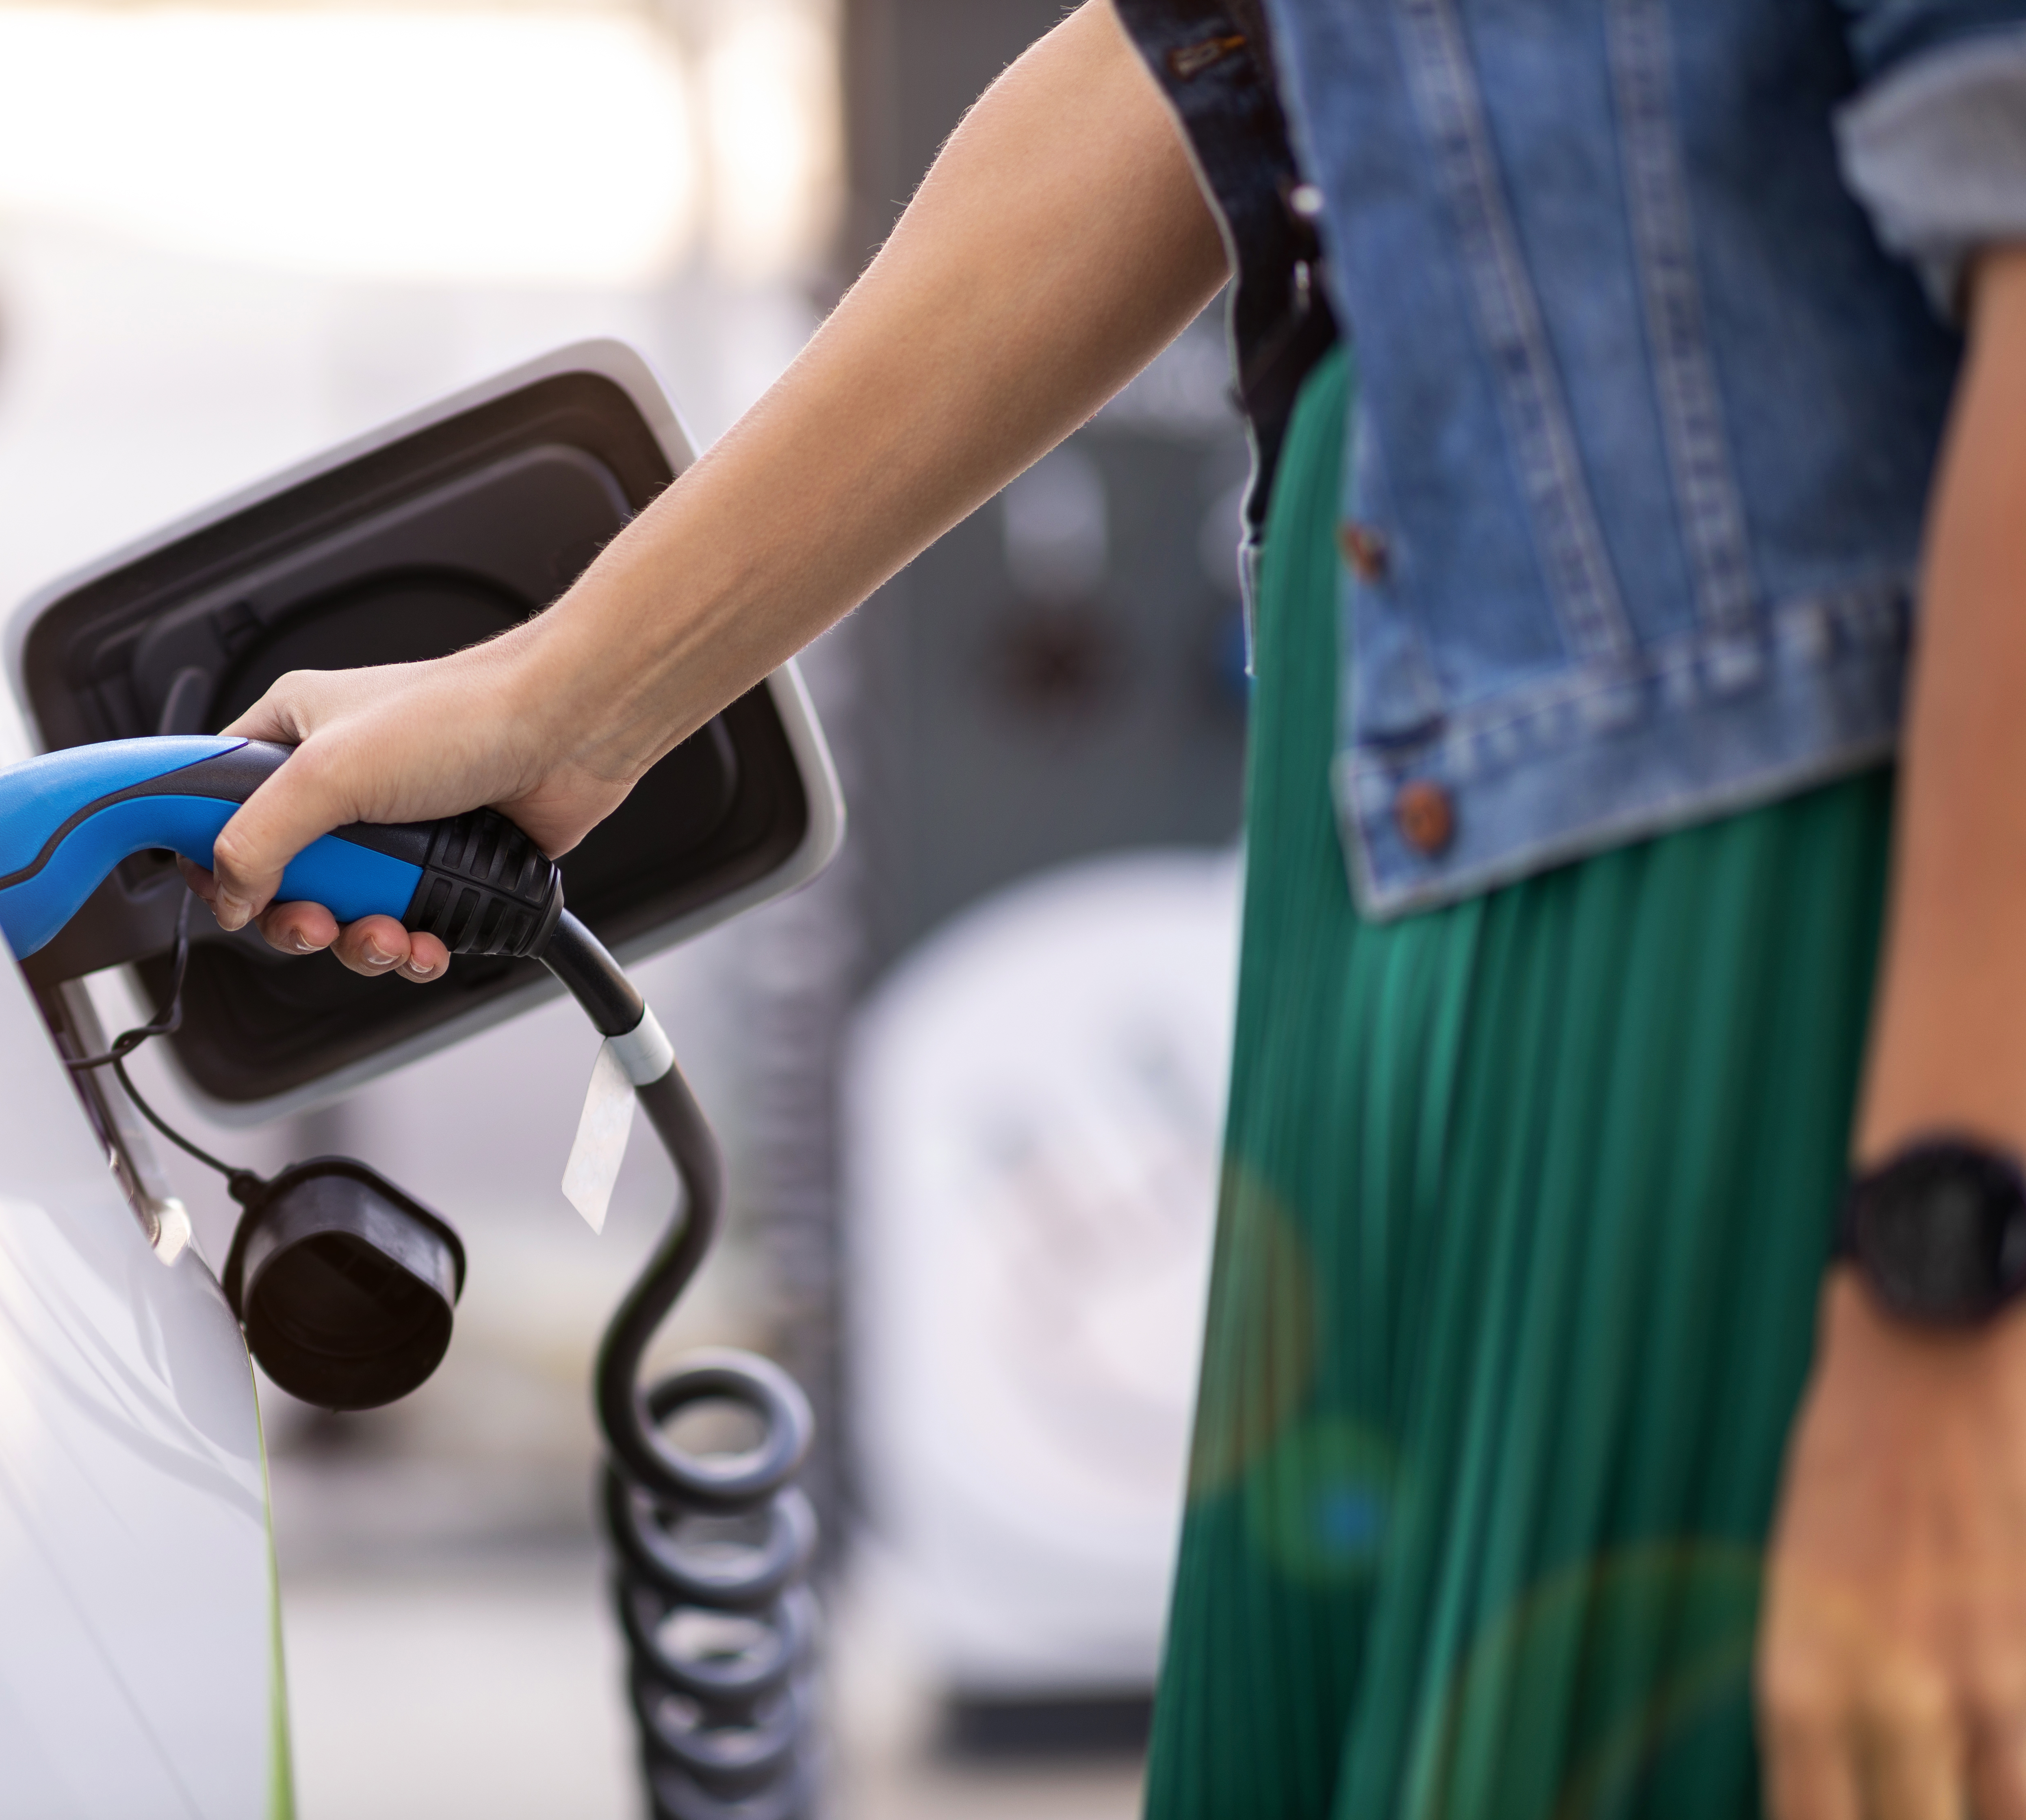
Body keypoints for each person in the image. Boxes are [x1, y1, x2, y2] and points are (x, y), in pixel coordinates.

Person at [188, 2, 2026, 1812]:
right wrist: (572, 689)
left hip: (1759, 888)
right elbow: (1189, 60)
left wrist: (1958, 1277)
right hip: (1394, 844)